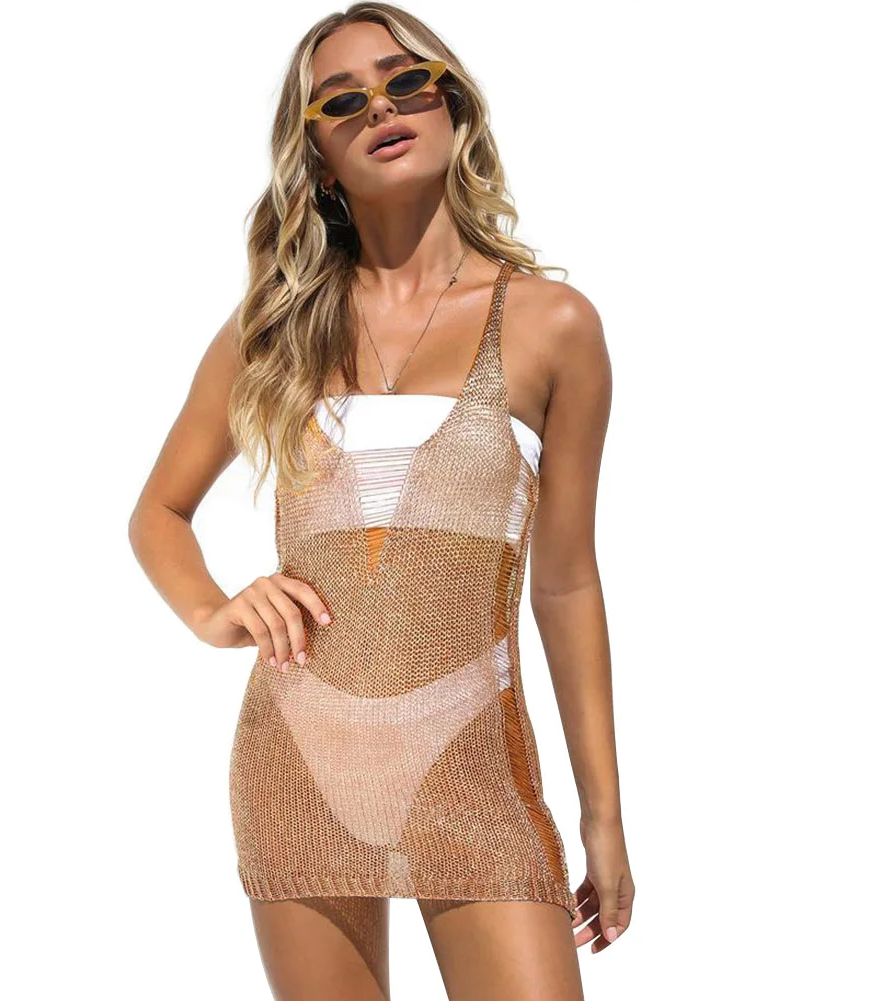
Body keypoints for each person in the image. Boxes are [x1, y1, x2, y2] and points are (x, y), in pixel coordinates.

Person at [128, 4, 633, 998]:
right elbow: (158, 512)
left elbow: (566, 584)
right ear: (316, 157)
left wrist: (601, 816)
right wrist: (213, 609)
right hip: (298, 759)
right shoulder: (274, 330)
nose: (381, 108)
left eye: (406, 82)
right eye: (342, 101)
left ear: (453, 106)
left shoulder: (552, 325)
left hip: (473, 769)